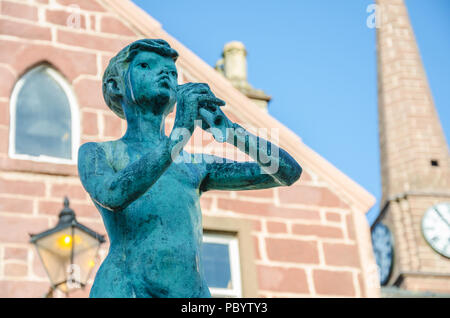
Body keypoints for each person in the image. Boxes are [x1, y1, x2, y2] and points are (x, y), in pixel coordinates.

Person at [78, 39, 302, 297]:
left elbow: (288, 172)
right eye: (145, 65)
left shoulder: (195, 165)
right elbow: (112, 195)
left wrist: (228, 130)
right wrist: (180, 133)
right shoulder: (99, 153)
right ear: (115, 86)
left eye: (172, 72)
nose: (164, 73)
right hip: (127, 289)